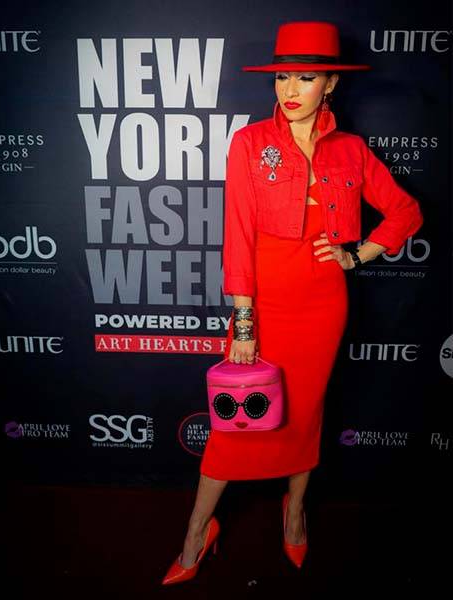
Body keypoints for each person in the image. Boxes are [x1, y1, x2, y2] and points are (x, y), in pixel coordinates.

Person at [161, 21, 423, 585]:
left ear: (331, 84)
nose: (291, 88)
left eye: (307, 76)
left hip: (323, 304)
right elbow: (237, 236)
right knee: (232, 424)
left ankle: (295, 514)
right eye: (283, 76)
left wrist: (360, 255)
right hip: (265, 304)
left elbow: (405, 212)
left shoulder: (351, 150)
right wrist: (245, 318)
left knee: (304, 417)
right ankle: (196, 531)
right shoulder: (251, 142)